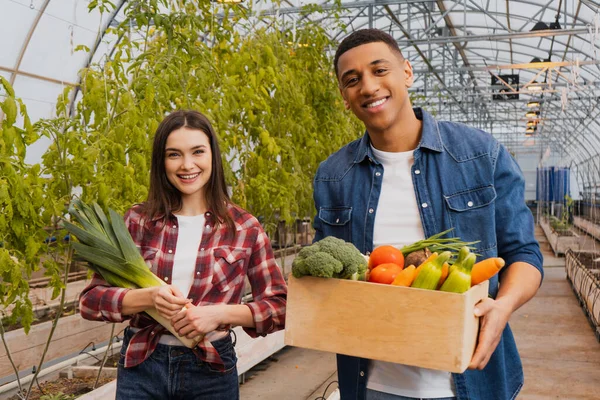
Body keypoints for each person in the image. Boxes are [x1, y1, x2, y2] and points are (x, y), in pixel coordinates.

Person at [312, 29, 543, 400]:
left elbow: (525, 254)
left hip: (471, 378)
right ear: (344, 97)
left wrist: (503, 306)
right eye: (352, 80)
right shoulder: (334, 175)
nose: (368, 87)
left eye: (379, 70)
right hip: (374, 384)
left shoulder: (479, 155)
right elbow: (332, 275)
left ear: (406, 72)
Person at [79, 110, 287, 400]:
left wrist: (219, 314)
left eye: (197, 152)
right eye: (174, 154)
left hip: (212, 369)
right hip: (142, 365)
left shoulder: (243, 227)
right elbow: (90, 301)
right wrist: (149, 298)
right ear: (161, 162)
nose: (187, 165)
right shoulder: (138, 220)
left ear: (212, 155)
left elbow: (280, 307)